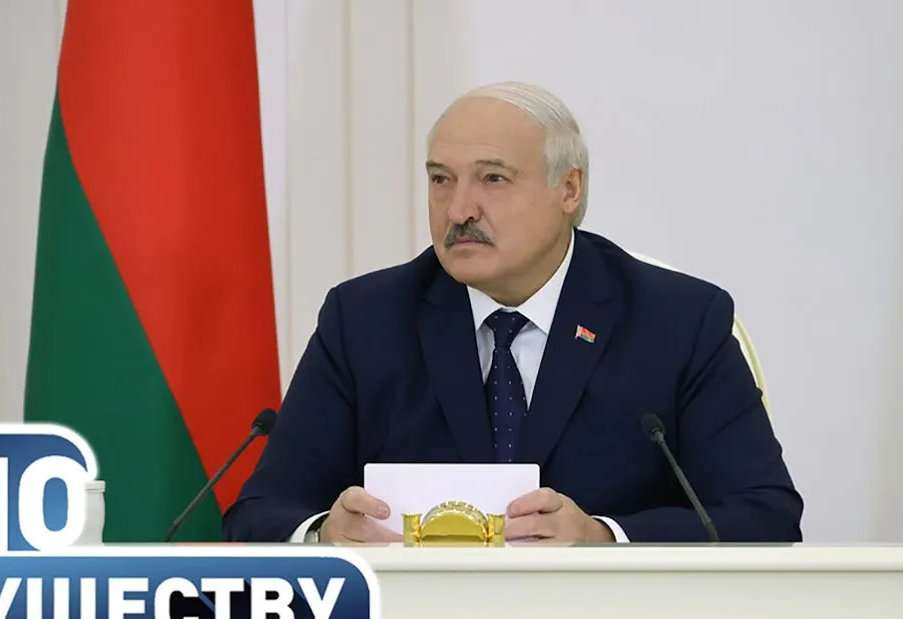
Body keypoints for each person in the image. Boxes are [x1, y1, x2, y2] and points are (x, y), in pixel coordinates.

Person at [223, 81, 803, 544]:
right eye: (441, 180)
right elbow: (259, 513)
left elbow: (765, 516)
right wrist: (324, 533)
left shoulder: (678, 320)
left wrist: (604, 538)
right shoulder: (364, 320)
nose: (459, 209)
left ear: (568, 189)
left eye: (493, 179)